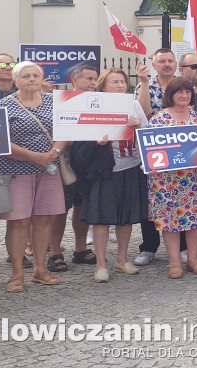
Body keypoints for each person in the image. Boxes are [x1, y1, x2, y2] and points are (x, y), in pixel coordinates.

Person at [0, 62, 68, 292]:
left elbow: (67, 130)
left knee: (44, 219)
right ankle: (17, 274)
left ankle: (40, 270)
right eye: (25, 76)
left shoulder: (53, 102)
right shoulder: (4, 104)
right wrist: (34, 156)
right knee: (18, 222)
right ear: (15, 80)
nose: (31, 79)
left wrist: (53, 152)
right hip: (17, 171)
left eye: (35, 75)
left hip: (48, 169)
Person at [69, 68, 148, 282]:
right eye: (115, 82)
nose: (121, 85)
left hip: (130, 165)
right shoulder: (93, 104)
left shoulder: (133, 104)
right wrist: (97, 141)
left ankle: (122, 260)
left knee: (126, 217)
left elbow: (147, 133)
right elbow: (79, 137)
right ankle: (101, 264)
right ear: (103, 86)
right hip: (104, 168)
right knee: (101, 219)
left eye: (123, 81)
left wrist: (138, 125)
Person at [145, 77, 197, 279]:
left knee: (195, 220)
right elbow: (149, 148)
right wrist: (148, 163)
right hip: (165, 180)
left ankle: (193, 260)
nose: (184, 95)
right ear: (170, 95)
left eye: (188, 92)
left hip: (192, 179)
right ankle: (174, 262)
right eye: (179, 92)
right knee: (169, 221)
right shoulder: (158, 119)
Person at [133, 49, 179, 266]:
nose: (166, 64)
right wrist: (143, 83)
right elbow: (143, 114)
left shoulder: (184, 86)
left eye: (170, 60)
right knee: (150, 199)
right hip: (152, 150)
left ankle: (183, 248)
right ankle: (149, 247)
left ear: (176, 64)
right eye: (162, 61)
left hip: (180, 149)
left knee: (180, 197)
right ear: (154, 64)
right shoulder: (144, 86)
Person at [51, 64, 98, 273]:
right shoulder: (60, 102)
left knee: (82, 206)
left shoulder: (99, 102)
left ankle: (81, 247)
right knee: (60, 209)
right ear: (75, 80)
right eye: (88, 79)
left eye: (95, 79)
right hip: (66, 163)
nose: (93, 83)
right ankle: (55, 252)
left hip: (88, 163)